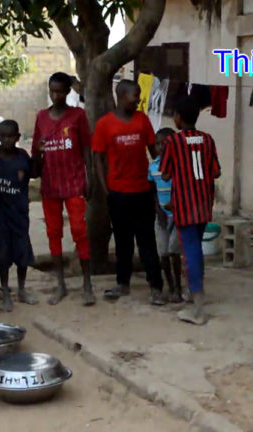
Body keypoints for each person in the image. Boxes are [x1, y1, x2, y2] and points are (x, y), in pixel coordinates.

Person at [93, 79, 165, 305]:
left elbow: (154, 152)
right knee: (123, 242)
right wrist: (106, 191)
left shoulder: (142, 120)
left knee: (147, 241)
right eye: (136, 96)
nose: (139, 100)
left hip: (142, 191)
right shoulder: (105, 124)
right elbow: (97, 157)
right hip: (118, 193)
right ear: (122, 96)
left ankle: (156, 287)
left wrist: (161, 181)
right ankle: (122, 283)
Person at [32, 72, 96, 306]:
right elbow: (36, 153)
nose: (55, 95)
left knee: (80, 231)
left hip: (74, 182)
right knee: (53, 233)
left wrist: (90, 177)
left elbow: (87, 149)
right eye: (52, 91)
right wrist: (38, 153)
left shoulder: (78, 116)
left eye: (60, 91)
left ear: (68, 92)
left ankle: (87, 284)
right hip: (50, 184)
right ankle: (60, 284)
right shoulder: (41, 117)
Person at [160, 98, 221, 325]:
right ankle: (196, 293)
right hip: (204, 203)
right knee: (196, 250)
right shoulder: (207, 139)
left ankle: (197, 309)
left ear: (177, 117)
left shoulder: (172, 142)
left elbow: (165, 174)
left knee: (191, 252)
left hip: (184, 205)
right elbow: (215, 172)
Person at [0, 120, 38, 311]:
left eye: (11, 136)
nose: (7, 140)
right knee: (3, 256)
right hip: (0, 215)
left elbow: (34, 172)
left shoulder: (22, 156)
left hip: (19, 214)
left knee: (22, 254)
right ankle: (4, 291)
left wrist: (40, 154)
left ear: (18, 138)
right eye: (3, 136)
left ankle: (21, 289)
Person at [149, 127, 184, 304]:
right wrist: (158, 210)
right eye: (157, 144)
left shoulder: (179, 166)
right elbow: (153, 190)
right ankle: (170, 287)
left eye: (165, 144)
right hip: (161, 216)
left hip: (177, 216)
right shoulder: (153, 166)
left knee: (174, 252)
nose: (161, 147)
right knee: (162, 252)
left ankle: (178, 287)